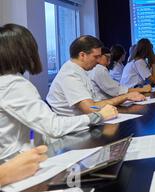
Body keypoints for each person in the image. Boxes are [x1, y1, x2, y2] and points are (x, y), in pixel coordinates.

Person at [0, 24, 118, 160]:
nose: (99, 61)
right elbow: (55, 127)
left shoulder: (8, 82)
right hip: (19, 164)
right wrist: (99, 116)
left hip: (24, 155)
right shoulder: (14, 84)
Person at [47, 36, 145, 117]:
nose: (98, 61)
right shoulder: (70, 75)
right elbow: (91, 108)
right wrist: (125, 97)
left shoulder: (81, 70)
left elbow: (94, 103)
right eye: (96, 57)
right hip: (74, 131)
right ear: (82, 55)